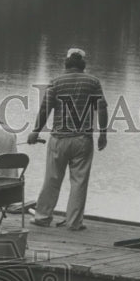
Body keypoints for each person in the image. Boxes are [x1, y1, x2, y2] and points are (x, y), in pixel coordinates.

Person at [27, 47, 108, 232]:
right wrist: (103, 134)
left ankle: (42, 217)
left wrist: (35, 131)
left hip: (59, 139)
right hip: (82, 139)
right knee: (79, 182)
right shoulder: (93, 82)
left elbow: (45, 109)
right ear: (83, 64)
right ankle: (73, 222)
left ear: (66, 63)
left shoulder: (56, 82)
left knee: (52, 179)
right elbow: (101, 108)